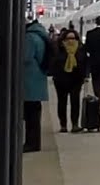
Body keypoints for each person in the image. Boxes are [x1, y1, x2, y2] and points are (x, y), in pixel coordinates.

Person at [51, 28, 88, 133]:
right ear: (63, 39)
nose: (71, 40)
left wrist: (85, 76)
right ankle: (63, 125)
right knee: (62, 103)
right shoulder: (58, 49)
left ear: (77, 39)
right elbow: (53, 63)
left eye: (73, 38)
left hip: (76, 80)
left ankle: (75, 124)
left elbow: (85, 62)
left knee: (75, 102)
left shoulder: (81, 49)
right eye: (68, 38)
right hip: (61, 80)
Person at [23, 14, 50, 153]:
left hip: (29, 82)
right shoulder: (40, 35)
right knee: (34, 115)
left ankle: (31, 143)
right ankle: (34, 143)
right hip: (37, 81)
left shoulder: (29, 37)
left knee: (30, 117)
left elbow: (25, 57)